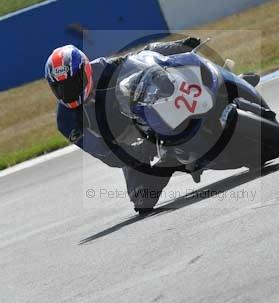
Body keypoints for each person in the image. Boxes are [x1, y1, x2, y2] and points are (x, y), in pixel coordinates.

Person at [45, 37, 260, 214]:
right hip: (128, 142)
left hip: (148, 108)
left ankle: (230, 80)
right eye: (61, 88)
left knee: (186, 67)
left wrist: (178, 45)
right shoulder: (67, 121)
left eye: (73, 82)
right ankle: (180, 157)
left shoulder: (103, 68)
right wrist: (135, 153)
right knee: (142, 200)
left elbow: (142, 57)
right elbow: (103, 152)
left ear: (85, 70)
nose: (69, 91)